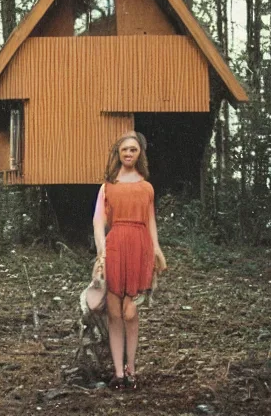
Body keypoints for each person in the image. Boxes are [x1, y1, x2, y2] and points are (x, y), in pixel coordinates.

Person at [92, 131, 167, 390]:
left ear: (139, 154)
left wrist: (157, 249)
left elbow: (151, 221)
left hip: (139, 247)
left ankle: (132, 369)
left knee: (130, 312)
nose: (128, 154)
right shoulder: (108, 186)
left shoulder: (146, 187)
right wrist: (102, 253)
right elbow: (98, 222)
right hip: (115, 248)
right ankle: (119, 374)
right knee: (114, 313)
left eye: (133, 150)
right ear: (118, 153)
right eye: (124, 149)